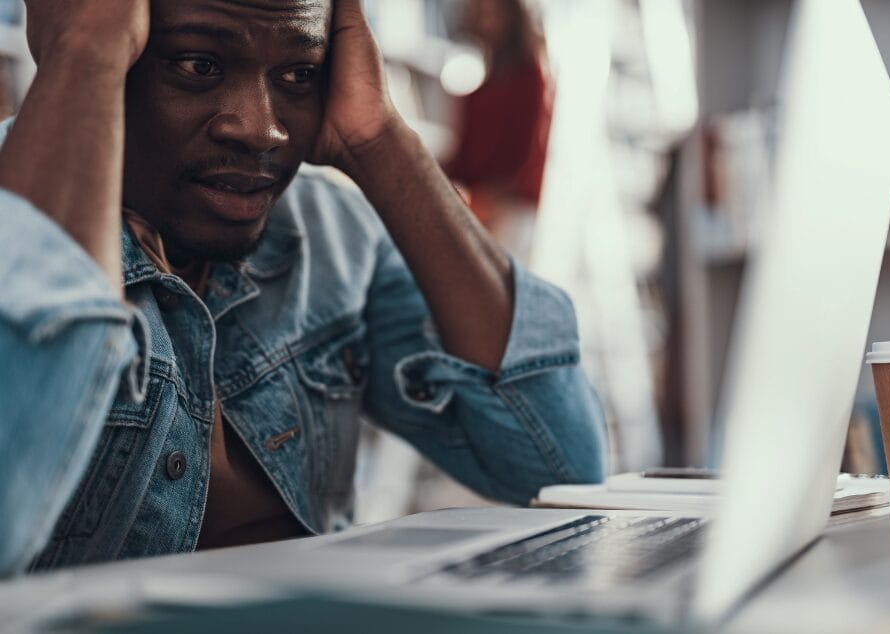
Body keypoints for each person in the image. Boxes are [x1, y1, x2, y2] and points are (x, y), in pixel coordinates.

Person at [0, 0, 606, 576]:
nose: (261, 129)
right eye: (198, 65)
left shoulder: (332, 237)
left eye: (298, 74)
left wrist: (377, 139)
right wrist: (80, 55)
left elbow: (559, 465)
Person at [444, 0, 553, 262]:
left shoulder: (531, 76)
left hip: (510, 207)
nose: (486, 21)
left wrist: (485, 201)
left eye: (493, 13)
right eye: (480, 12)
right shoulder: (479, 75)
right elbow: (464, 153)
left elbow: (526, 157)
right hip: (476, 201)